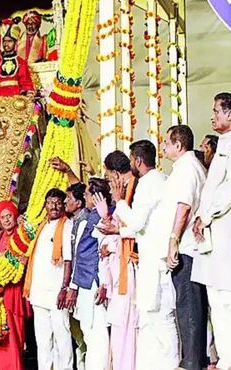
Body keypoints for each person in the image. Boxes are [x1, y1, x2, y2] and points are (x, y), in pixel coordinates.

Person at [192, 92, 231, 370]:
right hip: (212, 229)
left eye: (217, 111)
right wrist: (201, 216)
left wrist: (205, 215)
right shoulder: (225, 144)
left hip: (228, 225)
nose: (213, 116)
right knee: (217, 298)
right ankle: (226, 359)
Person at [102, 140, 175, 369]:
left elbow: (135, 223)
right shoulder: (161, 179)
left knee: (159, 319)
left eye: (132, 159)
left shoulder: (147, 183)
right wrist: (118, 229)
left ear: (138, 161)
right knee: (151, 319)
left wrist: (119, 201)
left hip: (154, 259)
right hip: (153, 256)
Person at [162, 125, 208, 370]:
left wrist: (173, 241)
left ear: (178, 145)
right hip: (187, 246)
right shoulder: (186, 167)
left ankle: (192, 362)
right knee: (187, 304)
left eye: (167, 143)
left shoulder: (187, 168)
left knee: (188, 305)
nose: (164, 148)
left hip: (187, 248)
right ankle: (192, 359)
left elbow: (184, 207)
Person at [24, 188, 73, 370]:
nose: (54, 206)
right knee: (43, 340)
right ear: (45, 205)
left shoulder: (66, 225)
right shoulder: (41, 227)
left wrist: (65, 287)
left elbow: (68, 259)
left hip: (56, 293)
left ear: (63, 205)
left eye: (58, 202)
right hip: (39, 293)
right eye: (51, 202)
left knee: (62, 337)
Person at [98, 150, 138, 370]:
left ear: (115, 173)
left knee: (127, 325)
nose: (108, 182)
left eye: (108, 176)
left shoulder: (134, 190)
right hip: (119, 266)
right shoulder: (124, 194)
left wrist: (112, 231)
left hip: (131, 267)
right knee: (120, 325)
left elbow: (134, 228)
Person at [0, 200, 32, 370]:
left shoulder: (21, 234)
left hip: (15, 289)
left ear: (14, 216)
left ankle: (14, 365)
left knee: (15, 330)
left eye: (9, 215)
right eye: (2, 217)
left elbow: (27, 257)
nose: (6, 220)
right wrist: (3, 255)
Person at [68, 180, 110, 370]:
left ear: (97, 197)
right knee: (88, 330)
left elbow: (97, 254)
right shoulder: (90, 217)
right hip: (85, 281)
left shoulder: (100, 218)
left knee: (96, 333)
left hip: (94, 281)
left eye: (86, 194)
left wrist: (101, 283)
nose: (84, 197)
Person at [0, 21, 35, 98]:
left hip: (16, 96)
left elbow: (25, 82)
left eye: (9, 41)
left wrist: (25, 93)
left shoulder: (21, 62)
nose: (6, 44)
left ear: (16, 43)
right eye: (4, 41)